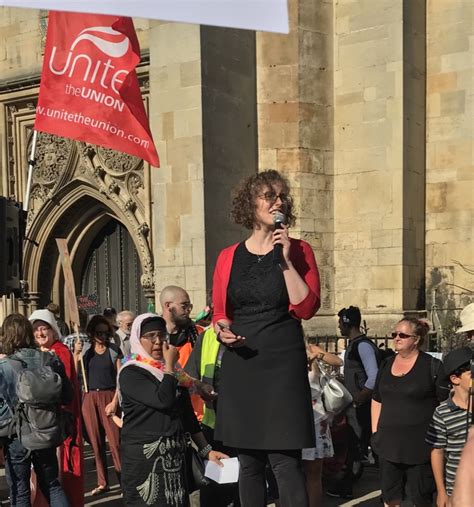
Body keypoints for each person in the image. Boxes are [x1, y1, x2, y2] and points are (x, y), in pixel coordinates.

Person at [212, 169, 321, 506]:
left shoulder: (300, 250)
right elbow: (220, 312)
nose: (278, 201)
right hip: (242, 363)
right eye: (269, 195)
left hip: (282, 361)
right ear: (250, 204)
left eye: (282, 195)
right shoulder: (228, 256)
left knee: (285, 461)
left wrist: (285, 261)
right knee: (249, 463)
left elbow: (305, 307)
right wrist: (221, 330)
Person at [118, 313, 228, 506]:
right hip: (145, 462)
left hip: (174, 459)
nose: (158, 342)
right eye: (150, 336)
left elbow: (186, 414)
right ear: (138, 339)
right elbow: (164, 400)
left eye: (161, 335)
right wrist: (169, 366)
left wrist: (206, 450)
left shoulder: (174, 373)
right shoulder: (131, 372)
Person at [371, 318, 449, 507]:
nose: (396, 338)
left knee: (421, 499)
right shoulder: (386, 364)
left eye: (403, 335)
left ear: (416, 339)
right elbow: (377, 399)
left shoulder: (432, 366)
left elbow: (443, 403)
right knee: (390, 499)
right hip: (388, 445)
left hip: (420, 448)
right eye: (394, 334)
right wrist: (375, 432)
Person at [0, 313, 71, 506]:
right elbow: (67, 396)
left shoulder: (4, 366)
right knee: (52, 486)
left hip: (16, 436)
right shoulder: (50, 359)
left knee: (20, 490)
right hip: (46, 431)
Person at [29, 309, 84, 507]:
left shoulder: (59, 351)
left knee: (59, 471)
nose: (40, 333)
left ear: (53, 332)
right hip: (43, 422)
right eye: (36, 330)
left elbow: (61, 388)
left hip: (60, 421)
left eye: (44, 329)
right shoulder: (38, 352)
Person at [327, 306, 380, 498]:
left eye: (341, 322)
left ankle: (346, 487)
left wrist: (359, 398)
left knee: (355, 444)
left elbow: (373, 376)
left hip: (360, 405)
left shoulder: (362, 346)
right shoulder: (354, 345)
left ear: (347, 322)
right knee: (352, 443)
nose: (339, 326)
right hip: (355, 404)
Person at [185, 324, 239, 507]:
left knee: (242, 485)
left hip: (244, 425)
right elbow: (189, 375)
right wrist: (200, 388)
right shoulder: (206, 335)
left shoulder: (250, 331)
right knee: (214, 487)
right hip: (213, 423)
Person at [79, 315, 122, 495]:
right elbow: (75, 373)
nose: (103, 336)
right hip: (89, 397)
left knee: (115, 443)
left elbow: (121, 378)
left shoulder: (114, 350)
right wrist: (76, 354)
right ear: (91, 333)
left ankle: (123, 481)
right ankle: (102, 482)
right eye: (99, 333)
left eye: (106, 333)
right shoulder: (85, 351)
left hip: (110, 395)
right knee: (95, 443)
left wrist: (114, 401)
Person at [426, 347, 472, 507]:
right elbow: (437, 452)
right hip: (458, 491)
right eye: (471, 374)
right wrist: (442, 492)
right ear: (455, 378)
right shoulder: (442, 412)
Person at [303, 342, 342, 507]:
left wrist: (318, 355)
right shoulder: (281, 351)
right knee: (291, 471)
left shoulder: (311, 348)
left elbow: (338, 361)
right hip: (293, 416)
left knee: (314, 472)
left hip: (316, 417)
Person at [159, 286, 199, 366]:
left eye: (189, 306)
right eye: (184, 306)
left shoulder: (197, 333)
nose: (188, 310)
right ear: (168, 306)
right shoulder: (152, 337)